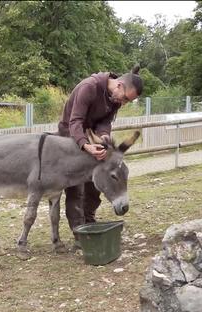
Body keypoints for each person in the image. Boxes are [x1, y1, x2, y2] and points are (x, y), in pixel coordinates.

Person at [58, 65, 143, 237]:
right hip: (70, 138)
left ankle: (89, 221)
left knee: (97, 181)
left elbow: (105, 122)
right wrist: (85, 145)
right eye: (125, 99)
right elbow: (75, 122)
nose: (123, 103)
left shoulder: (115, 100)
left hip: (92, 139)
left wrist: (104, 136)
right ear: (119, 85)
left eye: (127, 101)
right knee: (76, 188)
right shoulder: (89, 87)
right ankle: (79, 232)